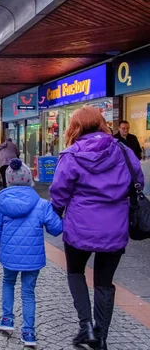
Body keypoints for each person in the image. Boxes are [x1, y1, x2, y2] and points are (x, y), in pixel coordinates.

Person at [50, 107, 144, 350]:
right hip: (115, 229)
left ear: (75, 127)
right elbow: (138, 181)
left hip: (80, 228)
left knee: (75, 273)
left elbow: (59, 193)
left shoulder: (71, 155)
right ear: (103, 124)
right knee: (104, 282)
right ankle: (101, 337)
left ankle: (86, 326)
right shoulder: (123, 151)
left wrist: (56, 212)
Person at [0, 158, 63, 347]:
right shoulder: (41, 204)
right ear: (29, 179)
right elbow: (56, 229)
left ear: (8, 180)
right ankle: (28, 332)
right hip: (33, 258)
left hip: (9, 256)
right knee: (28, 292)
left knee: (8, 283)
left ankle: (7, 320)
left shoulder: (2, 205)